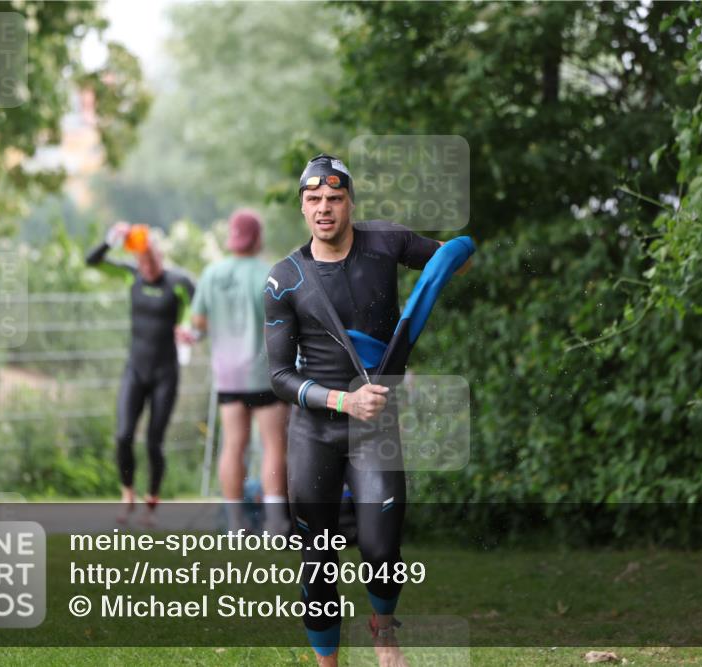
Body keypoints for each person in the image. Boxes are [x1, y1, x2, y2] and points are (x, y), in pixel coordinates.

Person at [264, 154, 471, 667]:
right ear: (303, 208)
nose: (324, 209)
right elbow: (279, 377)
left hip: (376, 428)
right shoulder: (284, 279)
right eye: (313, 200)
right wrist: (342, 400)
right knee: (318, 562)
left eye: (334, 198)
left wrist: (449, 262)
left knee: (381, 552)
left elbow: (449, 259)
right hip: (315, 432)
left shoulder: (387, 242)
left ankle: (382, 629)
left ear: (350, 202)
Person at [184, 209, 291, 536]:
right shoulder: (269, 272)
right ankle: (275, 524)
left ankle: (235, 526)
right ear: (257, 238)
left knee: (233, 444)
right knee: (274, 444)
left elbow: (198, 322)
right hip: (264, 372)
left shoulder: (212, 273)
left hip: (227, 375)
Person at [85, 223, 195, 525]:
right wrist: (111, 239)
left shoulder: (178, 282)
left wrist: (190, 330)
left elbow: (199, 311)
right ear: (137, 263)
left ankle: (151, 503)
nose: (147, 270)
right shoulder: (129, 276)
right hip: (135, 369)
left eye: (152, 265)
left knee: (153, 442)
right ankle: (128, 494)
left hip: (165, 373)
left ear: (160, 260)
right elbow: (91, 261)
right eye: (142, 265)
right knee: (123, 436)